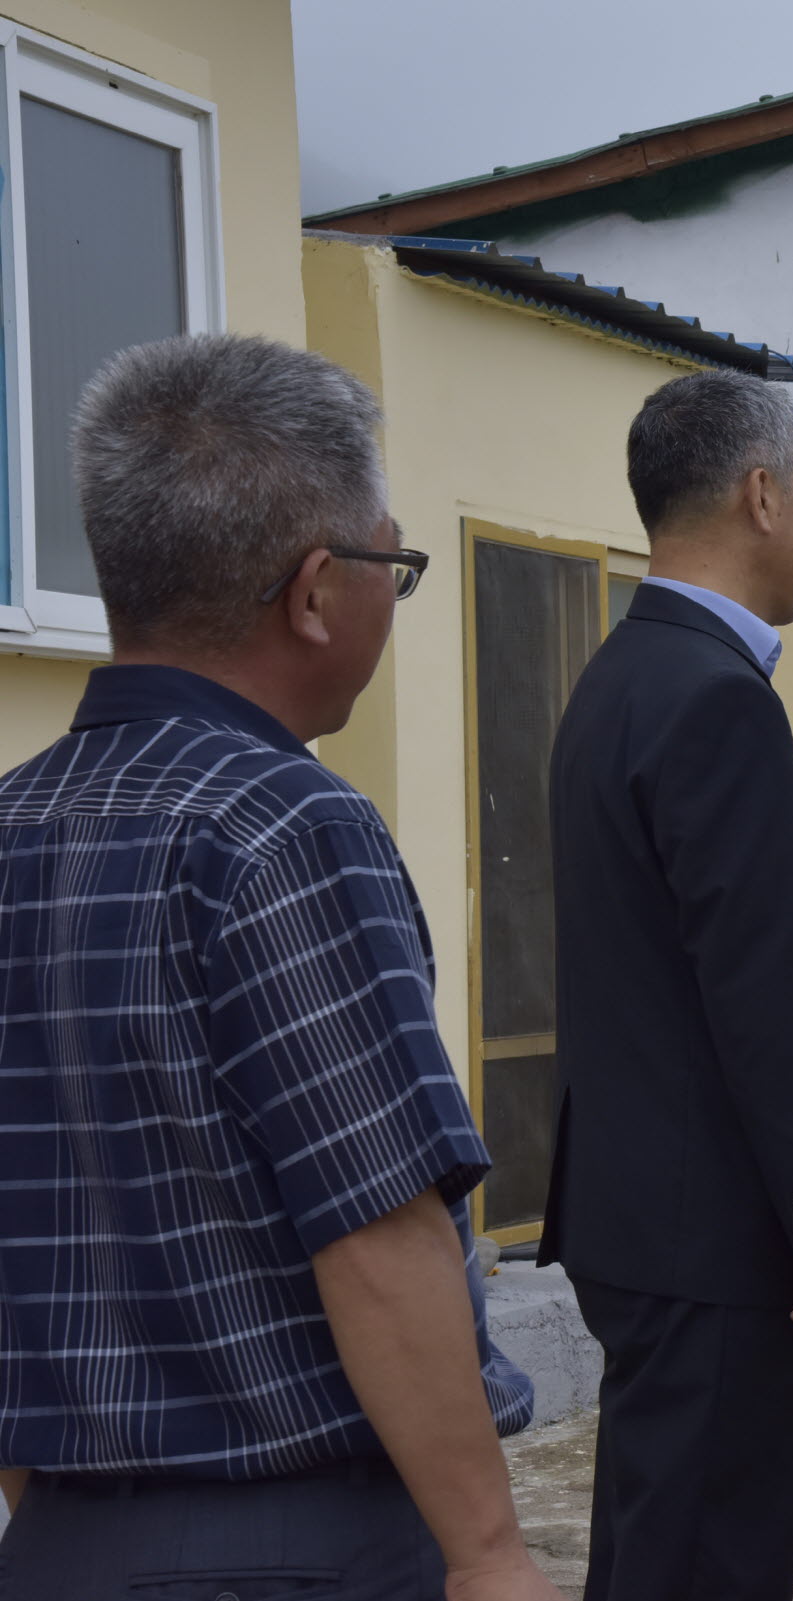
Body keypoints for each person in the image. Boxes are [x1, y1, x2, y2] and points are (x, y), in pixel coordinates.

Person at [0, 335, 556, 1600]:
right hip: (296, 1540)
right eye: (392, 565)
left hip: (56, 1539)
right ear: (314, 592)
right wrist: (488, 1553)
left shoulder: (10, 830)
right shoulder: (287, 827)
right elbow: (377, 1230)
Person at [541, 370, 793, 1601]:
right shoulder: (710, 697)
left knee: (662, 1544)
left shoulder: (621, 676)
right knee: (708, 1558)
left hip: (648, 1214)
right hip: (724, 1236)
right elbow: (765, 986)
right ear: (762, 495)